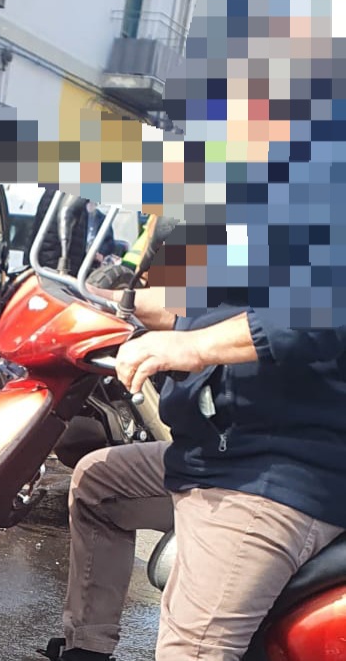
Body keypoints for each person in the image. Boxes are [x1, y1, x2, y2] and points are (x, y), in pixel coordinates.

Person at [39, 261, 346, 661]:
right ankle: (87, 650)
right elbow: (196, 305)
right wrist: (104, 301)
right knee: (98, 485)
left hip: (274, 474)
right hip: (218, 452)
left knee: (192, 650)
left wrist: (191, 347)